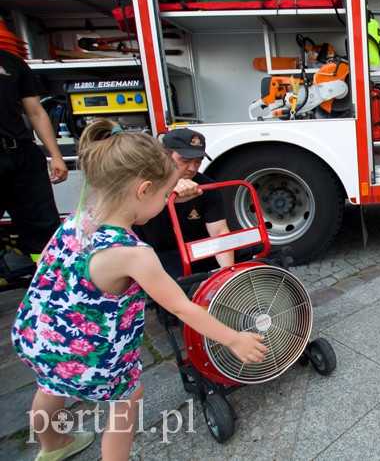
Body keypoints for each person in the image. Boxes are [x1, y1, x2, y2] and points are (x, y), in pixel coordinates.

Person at [10, 119, 268, 461]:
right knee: (128, 399)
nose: (167, 201)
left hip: (39, 335)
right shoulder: (135, 254)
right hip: (92, 354)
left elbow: (47, 261)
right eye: (165, 195)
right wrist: (234, 339)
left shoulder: (78, 218)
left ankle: (52, 445)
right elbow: (182, 308)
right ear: (143, 190)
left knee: (50, 385)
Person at [133, 128, 257, 279]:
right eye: (184, 161)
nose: (192, 168)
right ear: (165, 156)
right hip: (158, 253)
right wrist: (166, 195)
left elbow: (218, 232)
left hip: (197, 251)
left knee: (248, 253)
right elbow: (130, 215)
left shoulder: (207, 187)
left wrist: (227, 274)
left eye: (198, 161)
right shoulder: (145, 185)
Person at [0, 49, 68, 263]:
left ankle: (51, 280)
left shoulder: (10, 62)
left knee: (43, 224)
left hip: (21, 152)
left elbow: (36, 112)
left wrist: (55, 155)